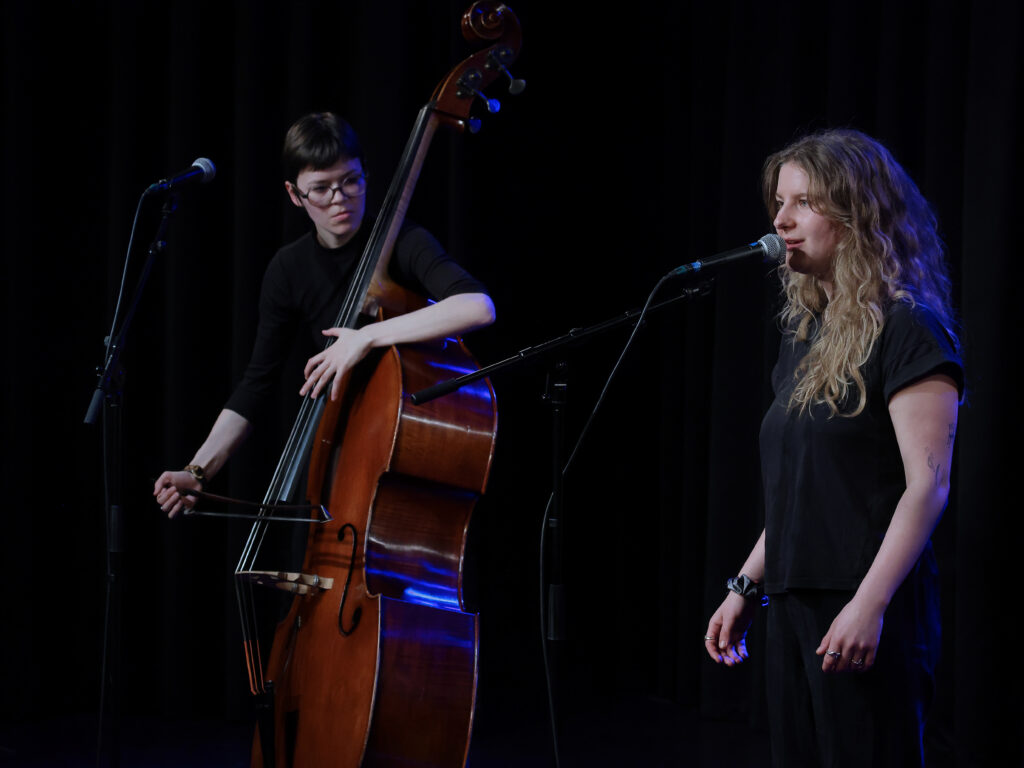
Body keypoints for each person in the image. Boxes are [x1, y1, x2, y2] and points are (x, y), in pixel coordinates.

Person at [704, 129, 962, 767]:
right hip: (793, 602)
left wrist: (868, 605)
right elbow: (802, 489)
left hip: (863, 601)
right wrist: (745, 585)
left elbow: (927, 487)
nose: (780, 220)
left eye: (803, 203)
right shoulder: (808, 337)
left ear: (858, 215)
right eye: (779, 203)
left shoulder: (910, 329)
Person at [153, 112, 495, 516]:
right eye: (321, 189)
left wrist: (367, 336)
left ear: (365, 173)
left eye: (351, 180)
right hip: (342, 450)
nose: (339, 198)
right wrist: (199, 470)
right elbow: (257, 383)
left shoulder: (404, 240)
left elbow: (477, 306)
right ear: (294, 194)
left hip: (409, 442)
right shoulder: (289, 269)